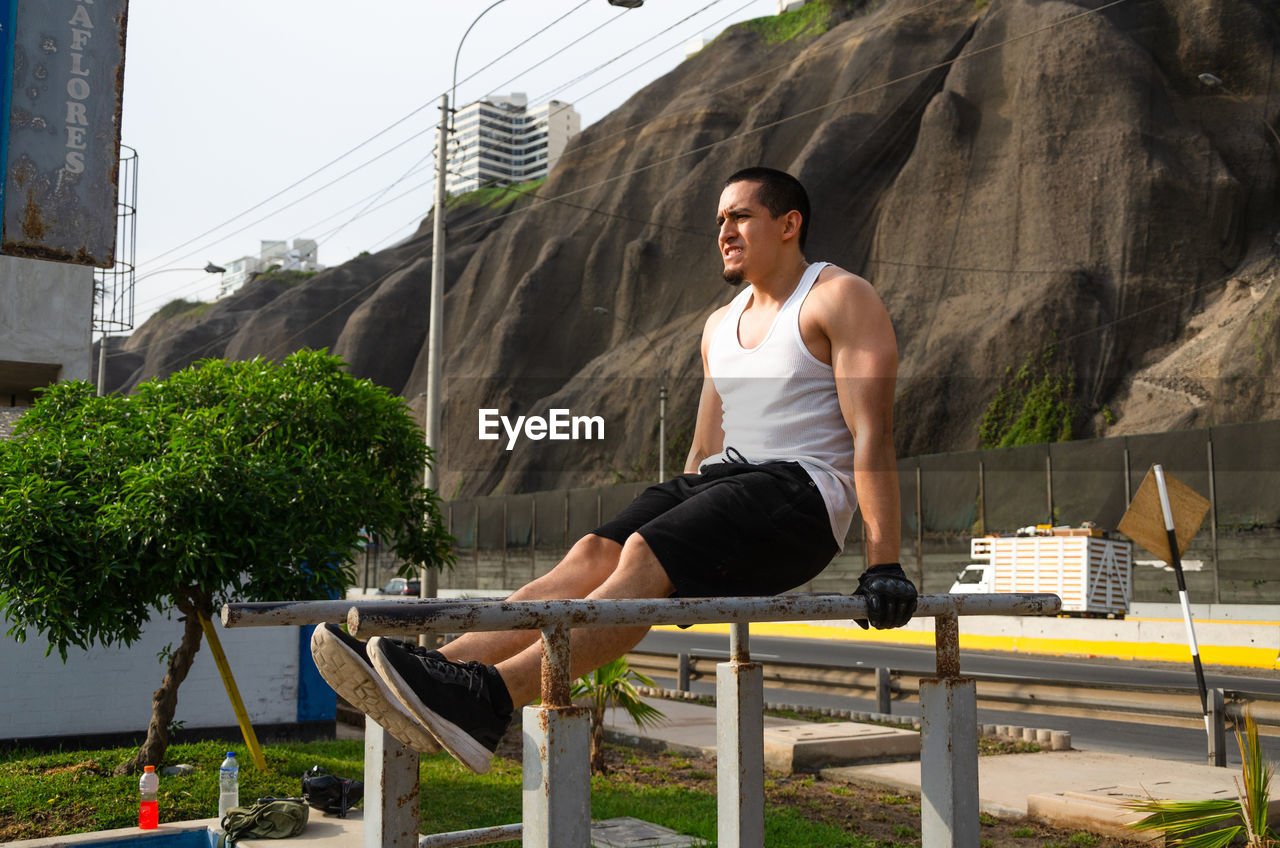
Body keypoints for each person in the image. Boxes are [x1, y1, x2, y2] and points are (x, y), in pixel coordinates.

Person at [311, 166, 917, 774]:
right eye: (719, 221)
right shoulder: (717, 327)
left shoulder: (838, 296)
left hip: (801, 495)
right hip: (729, 485)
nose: (724, 232)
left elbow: (873, 432)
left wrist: (882, 564)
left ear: (789, 224)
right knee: (595, 552)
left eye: (740, 216)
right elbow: (705, 448)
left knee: (644, 555)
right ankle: (437, 670)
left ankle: (490, 700)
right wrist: (683, 530)